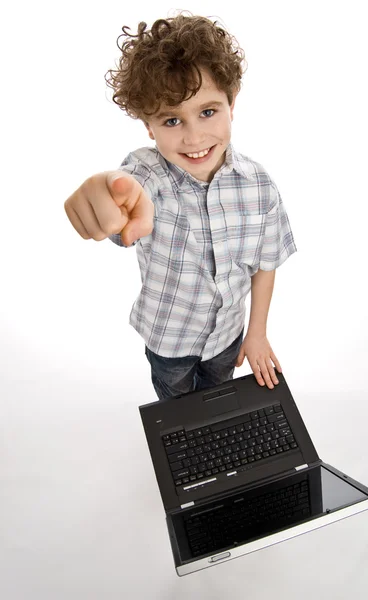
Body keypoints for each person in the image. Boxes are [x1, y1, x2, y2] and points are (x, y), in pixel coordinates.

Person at [64, 12, 298, 401]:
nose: (194, 137)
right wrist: (109, 191)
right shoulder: (147, 175)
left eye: (208, 112)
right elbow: (128, 191)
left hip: (227, 336)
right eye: (171, 120)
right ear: (148, 127)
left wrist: (256, 333)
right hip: (169, 342)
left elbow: (266, 263)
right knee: (177, 408)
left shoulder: (259, 186)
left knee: (216, 399)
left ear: (231, 102)